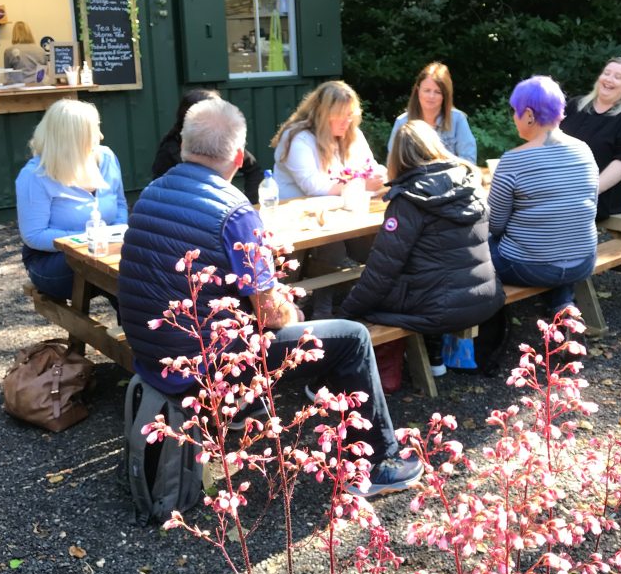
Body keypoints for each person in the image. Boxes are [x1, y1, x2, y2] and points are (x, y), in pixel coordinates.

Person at [118, 96, 423, 498]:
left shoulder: (151, 193)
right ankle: (376, 465)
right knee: (351, 338)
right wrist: (291, 308)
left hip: (150, 350)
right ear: (239, 156)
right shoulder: (235, 213)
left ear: (185, 144)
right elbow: (272, 313)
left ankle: (275, 415)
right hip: (205, 367)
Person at [340, 120, 504, 374]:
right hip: (486, 297)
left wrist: (346, 311)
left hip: (440, 309)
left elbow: (381, 272)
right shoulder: (470, 183)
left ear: (398, 156)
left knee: (370, 295)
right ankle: (434, 354)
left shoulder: (408, 200)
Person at [488, 76, 599, 315]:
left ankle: (482, 319)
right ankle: (563, 308)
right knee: (558, 240)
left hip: (529, 268)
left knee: (477, 246)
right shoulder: (584, 150)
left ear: (528, 114)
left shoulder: (513, 160)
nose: (513, 117)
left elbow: (495, 225)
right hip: (583, 262)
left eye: (514, 111)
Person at [16, 99, 127, 301]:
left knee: (137, 273)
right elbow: (34, 235)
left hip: (105, 249)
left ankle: (137, 331)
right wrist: (88, 239)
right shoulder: (35, 175)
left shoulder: (107, 158)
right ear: (72, 140)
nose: (101, 136)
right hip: (52, 260)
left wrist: (116, 233)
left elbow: (119, 205)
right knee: (121, 276)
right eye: (93, 132)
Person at [559, 57, 621, 221]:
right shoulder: (576, 105)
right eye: (607, 73)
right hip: (560, 190)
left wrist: (586, 192)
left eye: (617, 77)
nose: (609, 79)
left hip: (599, 197)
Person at [271, 81, 385, 200]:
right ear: (323, 115)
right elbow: (312, 186)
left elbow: (369, 166)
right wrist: (360, 185)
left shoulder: (352, 132)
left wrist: (379, 176)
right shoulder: (298, 138)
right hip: (294, 211)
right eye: (340, 115)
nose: (346, 121)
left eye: (349, 115)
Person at [151, 88, 264, 203]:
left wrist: (251, 202)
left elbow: (253, 169)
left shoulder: (223, 142)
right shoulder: (169, 151)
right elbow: (160, 193)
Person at [386, 62, 476, 164]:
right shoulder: (402, 122)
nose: (431, 96)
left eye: (437, 92)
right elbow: (393, 163)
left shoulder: (458, 119)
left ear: (445, 95)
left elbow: (469, 161)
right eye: (427, 90)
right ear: (418, 91)